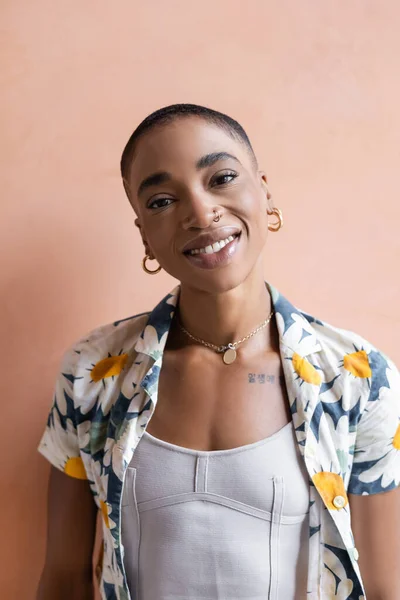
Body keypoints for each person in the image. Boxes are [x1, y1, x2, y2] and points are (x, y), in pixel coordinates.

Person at [36, 104, 400, 600]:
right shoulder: (91, 374)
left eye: (222, 177)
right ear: (143, 232)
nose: (200, 212)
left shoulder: (356, 377)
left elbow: (384, 588)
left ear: (264, 190)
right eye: (162, 201)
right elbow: (63, 579)